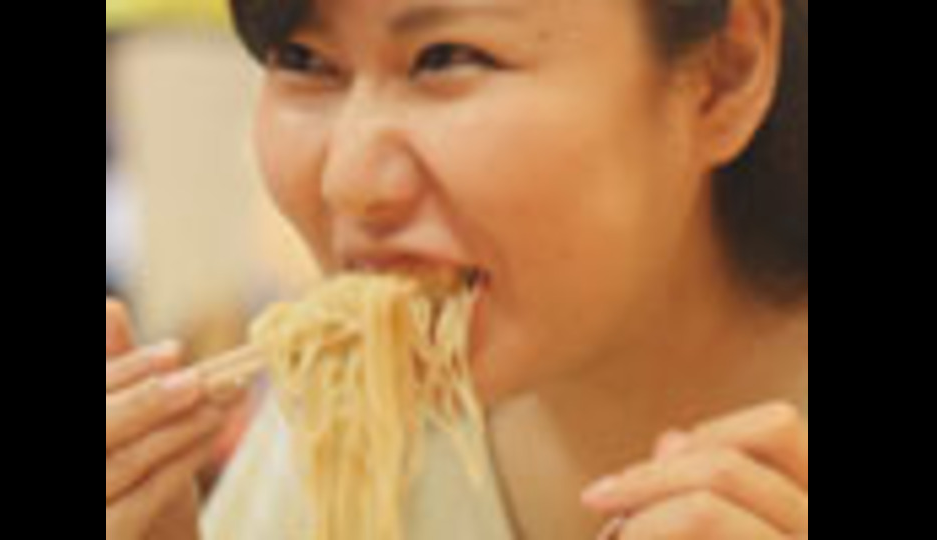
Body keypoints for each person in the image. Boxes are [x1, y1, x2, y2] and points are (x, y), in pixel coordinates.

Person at [105, 0, 808, 538]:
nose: (348, 180)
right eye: (303, 60)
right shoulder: (344, 424)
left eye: (446, 58)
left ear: (724, 73)